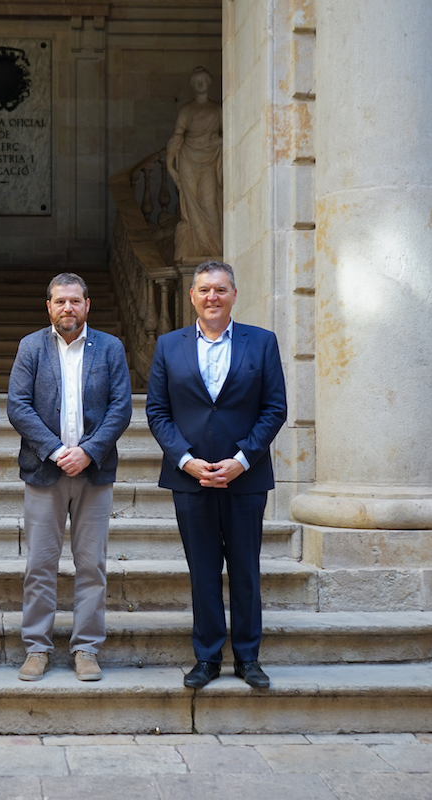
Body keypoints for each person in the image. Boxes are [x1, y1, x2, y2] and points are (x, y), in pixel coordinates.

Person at [145, 261, 287, 690]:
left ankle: (248, 658)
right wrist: (185, 459)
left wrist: (242, 459)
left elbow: (274, 408)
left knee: (245, 569)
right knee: (202, 569)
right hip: (190, 477)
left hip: (245, 477)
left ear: (234, 295)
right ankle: (206, 657)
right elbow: (157, 411)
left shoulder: (261, 342)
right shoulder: (169, 346)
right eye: (204, 290)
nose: (212, 297)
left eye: (220, 290)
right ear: (192, 296)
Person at [7, 273, 132, 682]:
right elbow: (19, 407)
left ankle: (86, 649)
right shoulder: (32, 346)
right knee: (40, 564)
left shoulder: (110, 347)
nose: (68, 308)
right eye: (60, 301)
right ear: (49, 306)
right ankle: (38, 648)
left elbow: (121, 408)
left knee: (91, 564)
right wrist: (58, 451)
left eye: (75, 301)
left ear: (87, 305)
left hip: (94, 473)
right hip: (45, 471)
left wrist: (88, 451)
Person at [166, 66, 223, 261]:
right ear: (192, 84)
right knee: (190, 207)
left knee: (209, 205)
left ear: (209, 82)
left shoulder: (217, 110)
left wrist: (221, 141)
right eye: (196, 80)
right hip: (188, 157)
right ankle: (198, 250)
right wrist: (170, 166)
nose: (200, 83)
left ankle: (214, 249)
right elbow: (176, 138)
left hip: (209, 159)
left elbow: (229, 136)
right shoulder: (186, 110)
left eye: (203, 80)